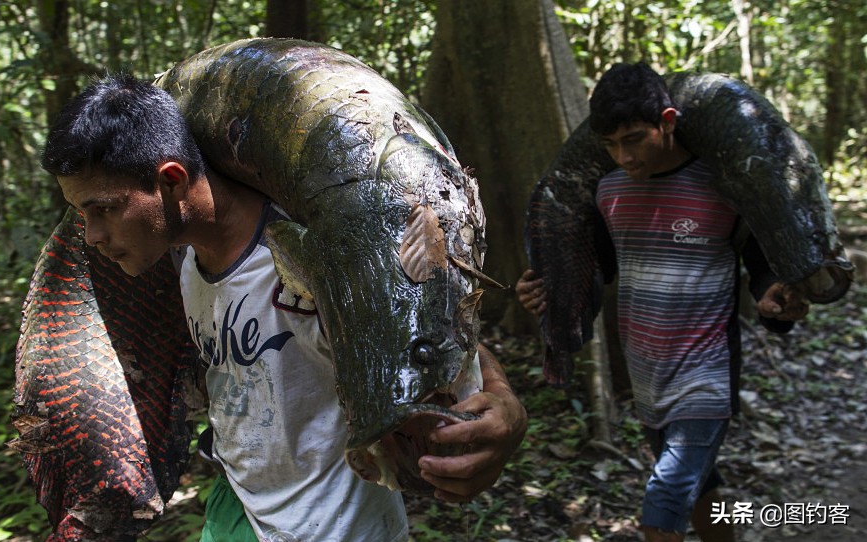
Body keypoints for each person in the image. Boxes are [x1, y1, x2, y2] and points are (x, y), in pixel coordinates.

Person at [42, 73, 527, 542]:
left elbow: (431, 333)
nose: (94, 236)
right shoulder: (186, 259)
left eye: (103, 209)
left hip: (339, 526)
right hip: (236, 509)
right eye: (84, 213)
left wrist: (504, 402)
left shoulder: (312, 259)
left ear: (170, 181)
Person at [516, 62, 809, 542]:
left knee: (663, 503)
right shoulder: (608, 191)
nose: (623, 156)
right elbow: (600, 270)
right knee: (701, 489)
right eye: (610, 145)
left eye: (634, 139)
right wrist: (547, 296)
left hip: (706, 376)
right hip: (647, 377)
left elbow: (762, 265)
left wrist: (773, 296)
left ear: (667, 122)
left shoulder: (724, 186)